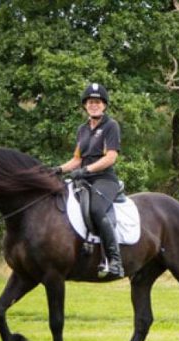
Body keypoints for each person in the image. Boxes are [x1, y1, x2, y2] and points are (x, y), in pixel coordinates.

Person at [54, 83, 125, 278]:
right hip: (83, 179)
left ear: (104, 105)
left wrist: (86, 169)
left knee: (96, 208)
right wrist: (58, 169)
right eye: (90, 102)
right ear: (85, 105)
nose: (94, 105)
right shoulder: (82, 129)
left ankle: (115, 260)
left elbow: (111, 157)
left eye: (98, 102)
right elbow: (77, 159)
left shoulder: (111, 126)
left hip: (104, 179)